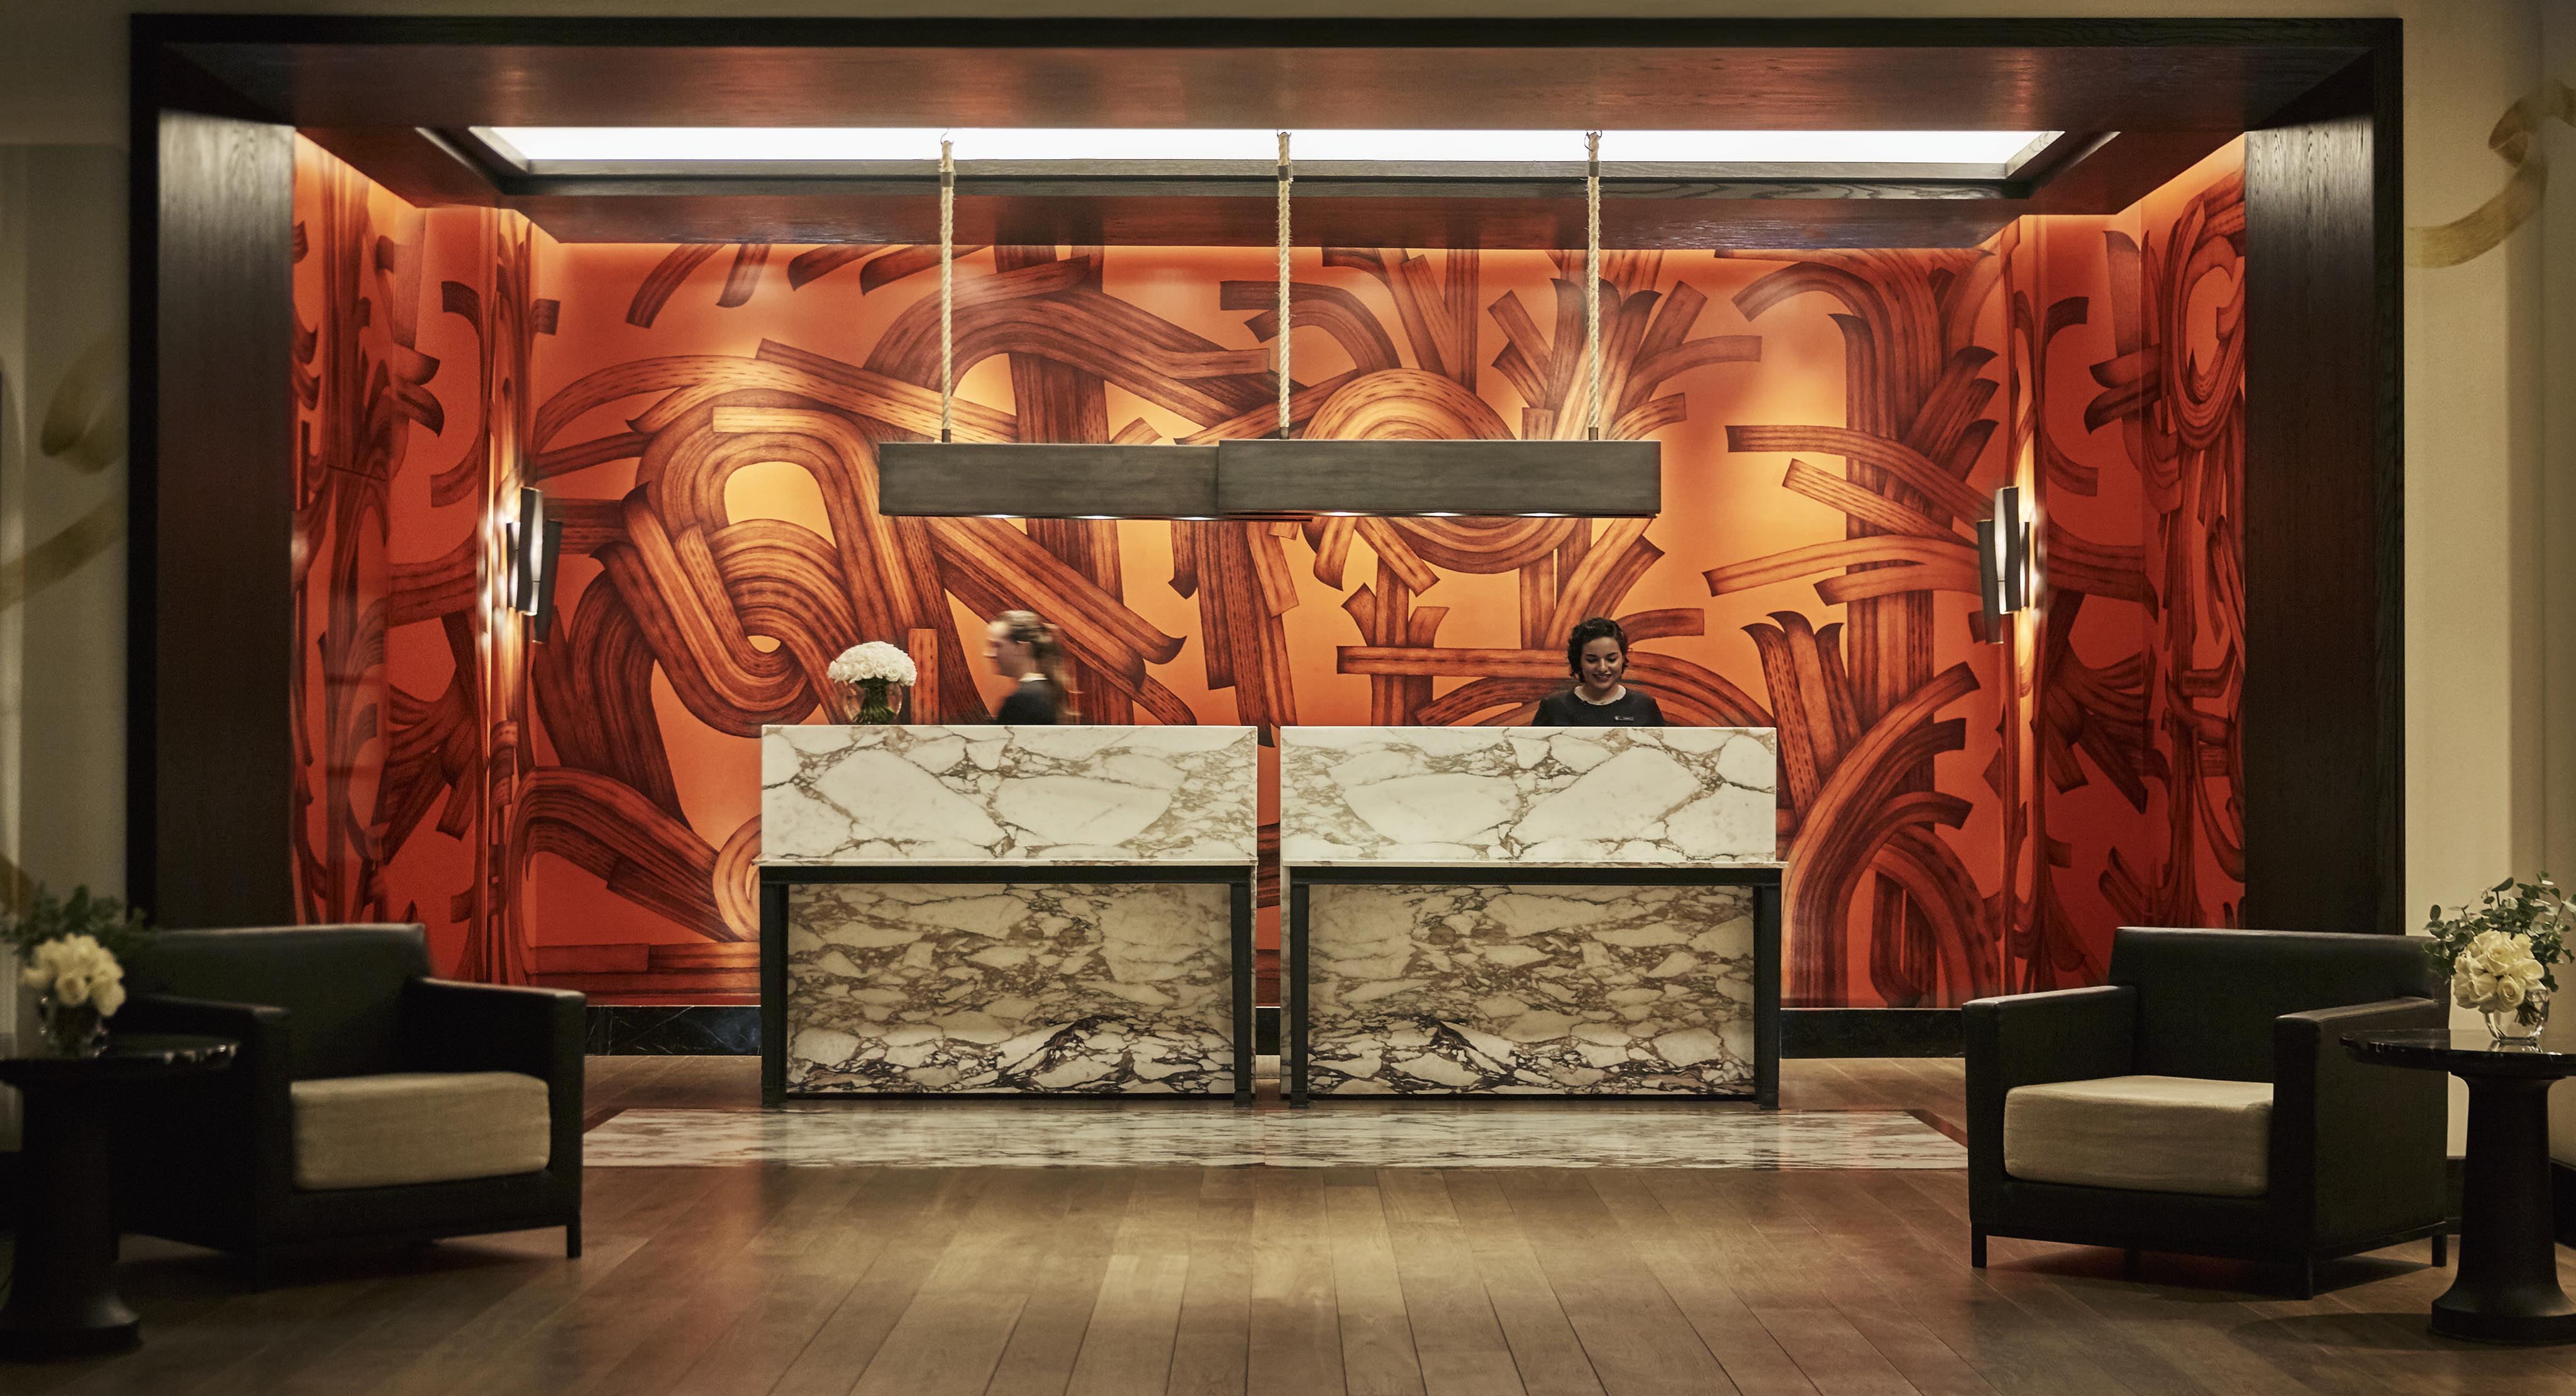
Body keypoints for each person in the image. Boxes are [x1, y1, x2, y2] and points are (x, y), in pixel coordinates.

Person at [1533, 615, 1665, 726]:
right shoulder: (1554, 706)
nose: (1602, 668)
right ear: (1579, 661)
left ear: (1623, 658)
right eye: (1592, 660)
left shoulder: (1644, 706)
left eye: (1611, 659)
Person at [984, 610, 1078, 723]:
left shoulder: (1025, 699)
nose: (989, 654)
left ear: (1022, 648)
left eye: (997, 645)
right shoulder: (1043, 690)